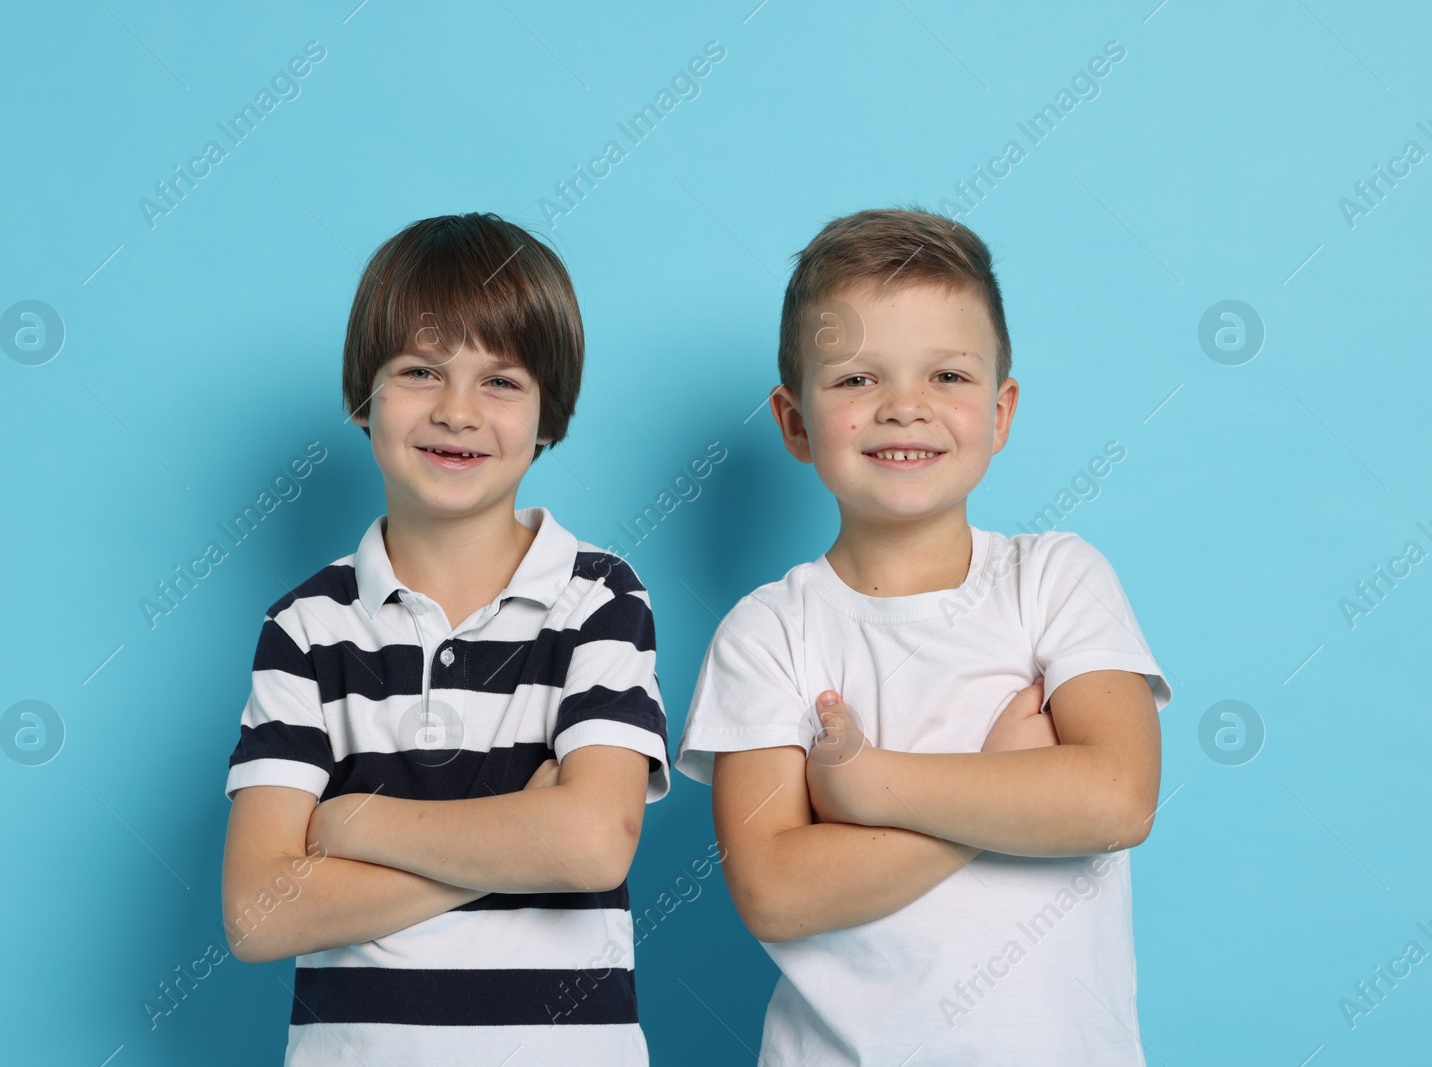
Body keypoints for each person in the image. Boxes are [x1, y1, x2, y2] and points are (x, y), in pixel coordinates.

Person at [675, 206, 1172, 1065]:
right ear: (794, 423)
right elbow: (776, 890)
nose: (905, 408)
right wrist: (1003, 786)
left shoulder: (1056, 578)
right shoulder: (766, 633)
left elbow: (1117, 796)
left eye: (947, 375)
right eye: (857, 380)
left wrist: (871, 787)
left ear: (1001, 408)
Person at [221, 212, 670, 1065]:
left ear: (549, 412)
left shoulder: (599, 597)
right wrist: (522, 835)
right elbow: (257, 910)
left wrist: (350, 821)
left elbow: (591, 842)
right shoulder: (308, 626)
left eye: (500, 381)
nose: (457, 411)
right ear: (366, 395)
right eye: (422, 371)